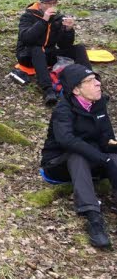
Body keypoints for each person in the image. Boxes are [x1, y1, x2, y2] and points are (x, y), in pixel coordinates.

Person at [41, 64, 117, 248]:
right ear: (76, 89)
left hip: (92, 158)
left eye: (96, 79)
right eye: (90, 81)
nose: (97, 84)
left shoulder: (98, 105)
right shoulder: (64, 110)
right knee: (78, 155)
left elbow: (107, 139)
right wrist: (102, 158)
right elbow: (67, 141)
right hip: (58, 164)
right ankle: (94, 218)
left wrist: (110, 148)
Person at [16, 0, 91, 106]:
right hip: (27, 55)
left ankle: (91, 80)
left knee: (79, 48)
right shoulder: (28, 16)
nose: (52, 6)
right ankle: (48, 90)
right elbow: (26, 38)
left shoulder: (57, 19)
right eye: (48, 3)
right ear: (40, 4)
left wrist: (68, 30)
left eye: (54, 4)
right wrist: (44, 21)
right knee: (37, 48)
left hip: (48, 55)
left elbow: (64, 45)